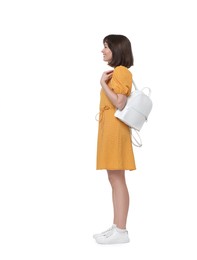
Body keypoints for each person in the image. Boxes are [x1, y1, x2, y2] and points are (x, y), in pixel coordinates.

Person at [94, 34, 135, 244]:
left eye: (106, 47)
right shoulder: (118, 72)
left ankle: (121, 230)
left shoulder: (121, 72)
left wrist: (103, 83)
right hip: (110, 130)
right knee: (114, 178)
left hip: (115, 131)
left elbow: (119, 103)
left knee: (117, 179)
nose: (103, 50)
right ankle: (117, 226)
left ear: (117, 49)